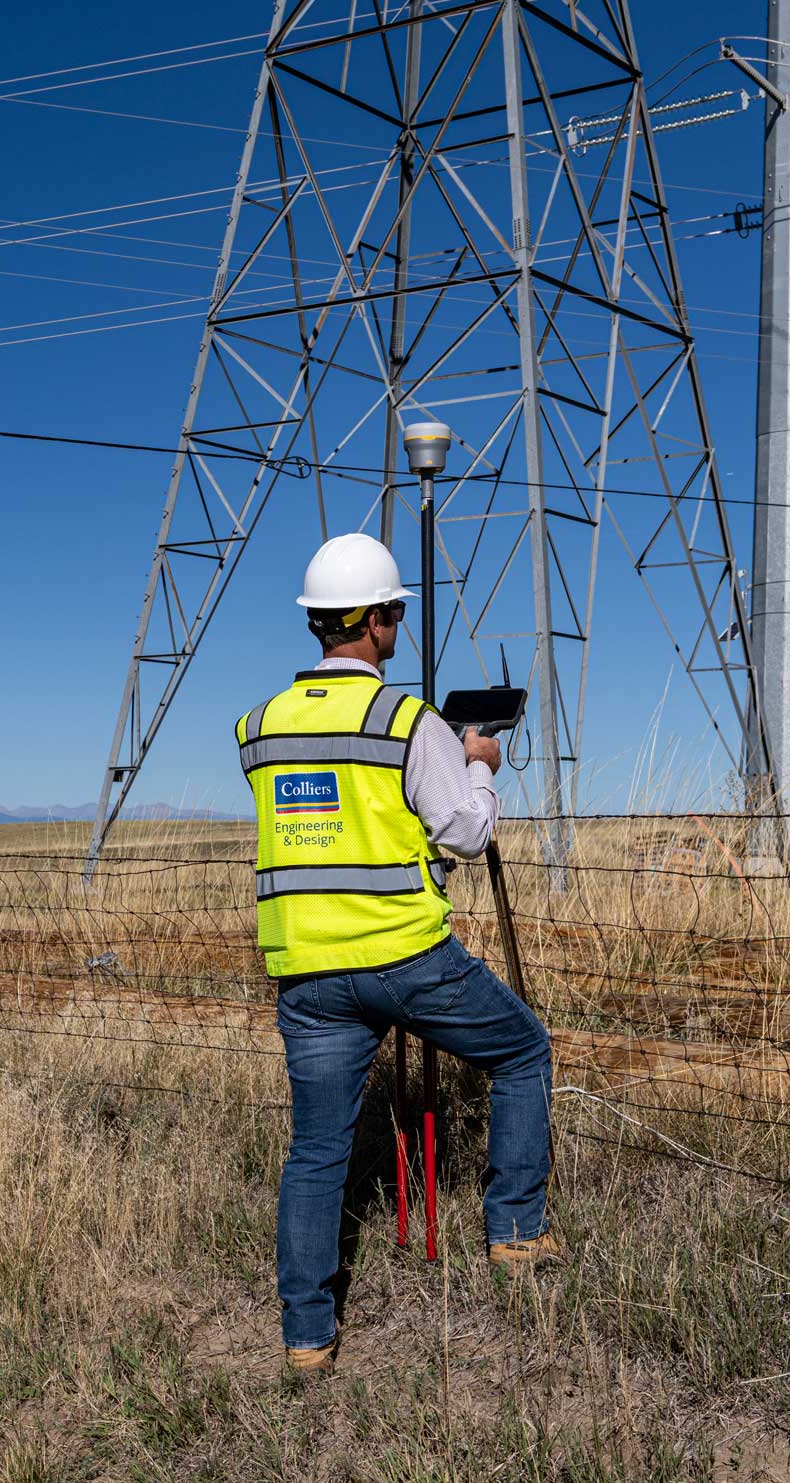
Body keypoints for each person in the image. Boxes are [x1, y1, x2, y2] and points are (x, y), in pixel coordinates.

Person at [236, 531, 560, 1373]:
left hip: (307, 971)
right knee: (523, 1049)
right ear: (380, 620)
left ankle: (307, 1335)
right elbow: (466, 828)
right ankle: (516, 1234)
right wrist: (479, 762)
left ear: (316, 622)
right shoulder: (406, 722)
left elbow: (328, 809)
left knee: (316, 1149)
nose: (396, 625)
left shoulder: (260, 728)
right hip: (406, 957)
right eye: (395, 613)